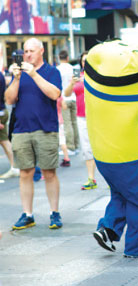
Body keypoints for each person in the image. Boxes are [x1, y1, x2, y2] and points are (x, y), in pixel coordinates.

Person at [85, 39, 138, 258]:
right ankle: (137, 248)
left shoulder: (92, 84)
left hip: (103, 156)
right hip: (133, 156)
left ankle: (108, 229)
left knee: (121, 193)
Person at [5, 37, 63, 230]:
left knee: (49, 172)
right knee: (25, 173)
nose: (27, 54)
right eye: (25, 52)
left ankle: (54, 213)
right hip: (22, 129)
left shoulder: (52, 72)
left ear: (41, 51)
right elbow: (9, 99)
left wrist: (35, 75)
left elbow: (55, 94)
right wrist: (17, 79)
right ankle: (27, 214)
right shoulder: (19, 73)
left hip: (46, 128)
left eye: (31, 51)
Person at [64, 51, 97, 190]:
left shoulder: (98, 76)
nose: (85, 63)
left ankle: (111, 180)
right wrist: (72, 83)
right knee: (87, 148)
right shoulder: (79, 77)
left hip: (98, 116)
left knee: (102, 148)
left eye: (88, 60)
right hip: (82, 117)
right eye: (83, 61)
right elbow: (66, 94)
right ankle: (91, 178)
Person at [57, 50, 79, 153]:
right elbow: (78, 83)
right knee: (74, 122)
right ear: (67, 57)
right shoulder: (74, 68)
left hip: (63, 99)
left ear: (59, 57)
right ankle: (76, 144)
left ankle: (70, 146)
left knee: (67, 123)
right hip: (74, 97)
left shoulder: (57, 70)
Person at [0, 68, 20, 180]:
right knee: (4, 141)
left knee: (4, 140)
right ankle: (15, 166)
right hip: (2, 111)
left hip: (1, 112)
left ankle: (15, 166)